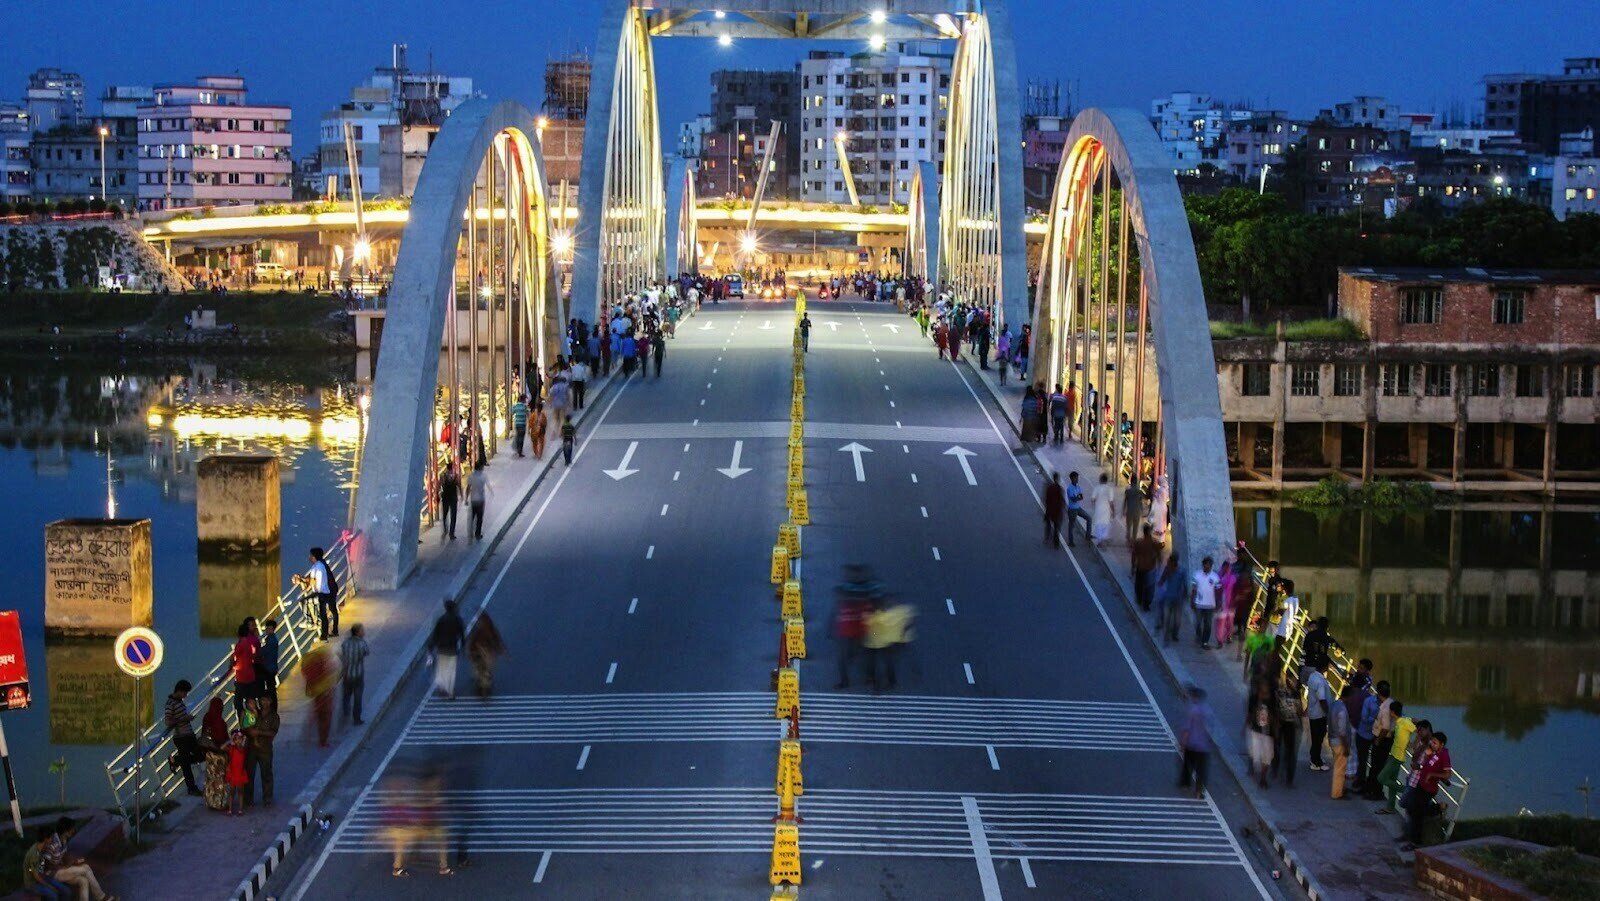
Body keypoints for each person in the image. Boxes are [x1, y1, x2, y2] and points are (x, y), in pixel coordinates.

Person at [1400, 732, 1451, 850]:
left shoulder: (1444, 755)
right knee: (1413, 809)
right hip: (1420, 785)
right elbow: (1428, 765)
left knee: (1417, 814)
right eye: (1432, 741)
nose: (1432, 744)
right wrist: (1421, 766)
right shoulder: (1434, 752)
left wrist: (1432, 774)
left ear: (1441, 744)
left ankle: (1415, 842)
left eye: (1435, 742)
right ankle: (1438, 808)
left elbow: (1447, 775)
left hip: (1429, 789)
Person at [44, 817, 113, 901]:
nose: (73, 831)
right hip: (52, 874)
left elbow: (63, 856)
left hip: (61, 870)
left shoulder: (63, 840)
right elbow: (46, 864)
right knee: (86, 868)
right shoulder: (52, 842)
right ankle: (101, 897)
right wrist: (64, 866)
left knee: (83, 881)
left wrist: (73, 862)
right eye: (72, 829)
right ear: (66, 830)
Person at [164, 680, 204, 796]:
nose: (186, 695)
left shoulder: (179, 702)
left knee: (200, 756)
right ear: (180, 691)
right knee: (186, 765)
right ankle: (192, 788)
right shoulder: (170, 703)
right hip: (181, 737)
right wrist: (185, 719)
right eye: (185, 693)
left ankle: (176, 760)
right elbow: (168, 721)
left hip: (188, 735)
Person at [1375, 703, 1418, 811]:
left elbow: (1419, 731)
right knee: (1391, 781)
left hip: (1397, 758)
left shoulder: (1404, 722)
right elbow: (1414, 720)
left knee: (1381, 778)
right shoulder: (1402, 720)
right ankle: (1390, 807)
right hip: (1393, 754)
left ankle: (1407, 791)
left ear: (1392, 712)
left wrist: (1414, 745)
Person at [1356, 680, 1391, 796]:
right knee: (1362, 760)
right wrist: (1377, 717)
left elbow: (1395, 719)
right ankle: (1361, 783)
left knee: (1377, 764)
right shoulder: (1369, 701)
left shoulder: (1389, 705)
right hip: (1365, 733)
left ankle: (1373, 789)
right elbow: (1364, 718)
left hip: (1379, 737)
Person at [243, 696, 279, 807]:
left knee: (266, 773)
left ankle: (267, 798)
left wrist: (258, 732)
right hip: (251, 748)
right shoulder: (254, 713)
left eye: (267, 700)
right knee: (249, 774)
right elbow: (246, 726)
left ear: (271, 701)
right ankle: (248, 800)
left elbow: (273, 733)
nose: (264, 702)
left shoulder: (274, 716)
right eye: (262, 700)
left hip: (265, 749)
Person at [1177, 686, 1211, 799]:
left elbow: (1186, 729)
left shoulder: (1191, 711)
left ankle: (1185, 783)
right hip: (1203, 746)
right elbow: (1210, 728)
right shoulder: (1207, 711)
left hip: (1191, 744)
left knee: (1188, 764)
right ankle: (1198, 791)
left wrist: (1182, 743)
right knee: (1201, 770)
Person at [302, 642, 338, 747]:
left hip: (316, 692)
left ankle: (309, 734)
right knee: (326, 717)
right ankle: (323, 740)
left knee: (317, 714)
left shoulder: (310, 659)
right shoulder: (324, 658)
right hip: (325, 692)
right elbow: (330, 672)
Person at [22, 827, 75, 900]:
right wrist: (49, 887)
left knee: (66, 891)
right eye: (51, 838)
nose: (53, 840)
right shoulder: (34, 854)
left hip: (44, 877)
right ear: (46, 839)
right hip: (32, 883)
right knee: (53, 896)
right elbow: (35, 876)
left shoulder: (43, 848)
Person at [430, 599, 466, 699]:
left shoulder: (441, 620)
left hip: (441, 648)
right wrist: (463, 646)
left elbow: (435, 635)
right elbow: (462, 634)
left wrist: (430, 648)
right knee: (451, 670)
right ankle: (450, 692)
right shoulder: (457, 619)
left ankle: (442, 688)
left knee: (442, 669)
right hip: (452, 648)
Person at [1273, 671, 1304, 788]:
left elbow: (1299, 711)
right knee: (1286, 750)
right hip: (1285, 724)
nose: (1294, 682)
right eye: (1293, 680)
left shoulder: (1286, 693)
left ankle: (1284, 774)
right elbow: (1299, 711)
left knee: (1287, 750)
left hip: (1288, 724)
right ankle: (1285, 775)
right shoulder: (1285, 693)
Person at [1244, 677, 1276, 788]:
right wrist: (1246, 726)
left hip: (1268, 732)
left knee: (1267, 757)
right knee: (1256, 755)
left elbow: (1275, 715)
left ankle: (1263, 777)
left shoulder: (1272, 700)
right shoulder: (1254, 699)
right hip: (1256, 731)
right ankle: (1256, 769)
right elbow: (1250, 713)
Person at [467, 612, 506, 697]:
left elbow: (472, 642)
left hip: (479, 653)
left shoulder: (478, 630)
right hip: (487, 653)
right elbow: (496, 640)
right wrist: (501, 650)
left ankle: (482, 686)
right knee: (486, 671)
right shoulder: (491, 629)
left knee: (480, 670)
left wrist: (470, 652)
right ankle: (485, 687)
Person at [200, 698, 230, 810]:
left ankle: (211, 802)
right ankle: (220, 803)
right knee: (220, 780)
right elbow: (222, 738)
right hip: (219, 756)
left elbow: (205, 735)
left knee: (211, 779)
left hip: (210, 755)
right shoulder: (219, 722)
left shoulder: (207, 718)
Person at [1304, 661, 1332, 771]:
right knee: (1318, 738)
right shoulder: (1320, 681)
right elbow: (1322, 699)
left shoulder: (1312, 676)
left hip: (1313, 712)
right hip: (1320, 714)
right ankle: (1316, 762)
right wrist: (1328, 712)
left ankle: (1314, 757)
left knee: (1316, 737)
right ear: (1325, 666)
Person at [306, 547, 339, 639]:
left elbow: (314, 580)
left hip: (324, 592)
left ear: (314, 556)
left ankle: (323, 634)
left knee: (323, 614)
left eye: (310, 555)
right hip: (331, 590)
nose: (309, 557)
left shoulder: (317, 566)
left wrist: (308, 588)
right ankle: (334, 631)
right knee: (333, 610)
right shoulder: (323, 564)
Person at [339, 624, 370, 725]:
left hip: (347, 675)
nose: (364, 632)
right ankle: (356, 719)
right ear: (357, 632)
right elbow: (366, 652)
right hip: (358, 675)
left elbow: (342, 654)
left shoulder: (345, 643)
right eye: (362, 630)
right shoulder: (362, 643)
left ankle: (345, 712)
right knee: (357, 698)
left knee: (346, 695)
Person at [1328, 685, 1354, 799]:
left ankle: (1340, 789)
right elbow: (1342, 732)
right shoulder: (1343, 711)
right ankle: (1337, 793)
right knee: (1340, 769)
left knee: (1337, 766)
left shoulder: (1334, 705)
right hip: (1340, 743)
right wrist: (1346, 747)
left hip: (1332, 740)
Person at [1190, 556, 1221, 649]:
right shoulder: (1196, 575)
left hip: (1210, 605)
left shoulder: (1215, 577)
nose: (1208, 566)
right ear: (1203, 565)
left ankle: (1205, 642)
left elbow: (1218, 590)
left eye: (1209, 565)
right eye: (1206, 564)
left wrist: (1218, 602)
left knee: (1208, 624)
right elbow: (1194, 589)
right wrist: (1192, 600)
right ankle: (1199, 636)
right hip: (1199, 603)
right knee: (1198, 623)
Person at [1154, 555, 1185, 644]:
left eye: (1170, 562)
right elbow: (1162, 580)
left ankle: (1174, 634)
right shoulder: (1168, 570)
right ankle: (1167, 635)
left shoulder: (1181, 571)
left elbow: (1184, 583)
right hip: (1168, 597)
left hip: (1178, 599)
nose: (1169, 563)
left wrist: (1185, 594)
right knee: (1168, 617)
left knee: (1177, 620)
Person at [232, 618, 259, 716]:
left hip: (242, 678)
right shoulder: (249, 643)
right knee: (251, 701)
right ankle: (254, 721)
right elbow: (253, 655)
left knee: (238, 703)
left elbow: (235, 658)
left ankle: (244, 723)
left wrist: (232, 666)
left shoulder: (240, 645)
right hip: (251, 675)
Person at [1130, 525, 1160, 610]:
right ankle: (1146, 604)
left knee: (1139, 585)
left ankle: (1139, 599)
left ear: (1143, 532)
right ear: (1149, 532)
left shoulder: (1139, 542)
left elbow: (1134, 555)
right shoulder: (1154, 543)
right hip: (1150, 568)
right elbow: (1158, 554)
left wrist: (1133, 567)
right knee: (1149, 587)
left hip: (1140, 567)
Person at [1213, 562, 1238, 647]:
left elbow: (1235, 591)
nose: (1226, 569)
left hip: (1230, 603)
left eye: (1228, 568)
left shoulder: (1233, 578)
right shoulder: (1217, 576)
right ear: (1222, 567)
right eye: (1225, 567)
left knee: (1229, 622)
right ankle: (1219, 640)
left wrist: (1234, 602)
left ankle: (1228, 636)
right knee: (1220, 622)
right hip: (1220, 603)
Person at [1064, 471, 1091, 547]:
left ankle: (1088, 535)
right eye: (1076, 478)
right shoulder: (1070, 488)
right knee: (1071, 525)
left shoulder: (1078, 487)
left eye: (1077, 478)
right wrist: (1077, 497)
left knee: (1089, 518)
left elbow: (1081, 497)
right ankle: (1071, 541)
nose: (1077, 479)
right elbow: (1073, 499)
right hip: (1072, 509)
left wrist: (1077, 498)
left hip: (1078, 508)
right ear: (1072, 478)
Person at [225, 729, 249, 815]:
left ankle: (240, 809)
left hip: (240, 773)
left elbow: (241, 748)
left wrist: (238, 742)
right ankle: (230, 810)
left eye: (240, 738)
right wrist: (231, 740)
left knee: (240, 792)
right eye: (237, 738)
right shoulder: (232, 748)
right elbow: (222, 747)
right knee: (231, 792)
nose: (238, 740)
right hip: (233, 772)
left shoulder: (242, 748)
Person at [1089, 473, 1115, 545]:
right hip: (1106, 510)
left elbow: (1093, 499)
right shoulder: (1109, 489)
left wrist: (1095, 504)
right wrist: (1113, 511)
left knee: (1098, 525)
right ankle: (1103, 539)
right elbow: (1111, 501)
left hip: (1098, 509)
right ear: (1106, 480)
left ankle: (1100, 540)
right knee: (1105, 525)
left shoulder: (1096, 488)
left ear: (1100, 480)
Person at [467, 461, 489, 541]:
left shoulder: (471, 476)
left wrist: (466, 498)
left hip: (473, 500)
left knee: (472, 517)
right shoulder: (483, 476)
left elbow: (468, 488)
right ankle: (478, 533)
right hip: (481, 500)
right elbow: (488, 485)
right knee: (479, 518)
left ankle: (470, 533)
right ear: (480, 468)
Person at [1042, 473, 1065, 547]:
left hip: (1049, 510)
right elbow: (1061, 501)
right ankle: (1056, 543)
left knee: (1048, 525)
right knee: (1056, 527)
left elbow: (1046, 499)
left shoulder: (1049, 488)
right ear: (1058, 479)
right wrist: (1062, 510)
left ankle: (1046, 538)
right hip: (1057, 511)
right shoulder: (1060, 488)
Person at [438, 462, 460, 541]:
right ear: (452, 467)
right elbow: (459, 485)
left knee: (445, 514)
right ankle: (452, 533)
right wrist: (461, 495)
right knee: (453, 516)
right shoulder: (456, 476)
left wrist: (438, 494)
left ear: (447, 468)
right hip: (453, 497)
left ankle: (445, 528)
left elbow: (439, 485)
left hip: (445, 497)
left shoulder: (443, 476)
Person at [1123, 480, 1143, 544]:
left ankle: (1128, 539)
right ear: (1136, 483)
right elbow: (1141, 503)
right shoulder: (1139, 492)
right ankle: (1134, 540)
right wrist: (1142, 511)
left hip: (1129, 510)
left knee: (1128, 526)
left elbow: (1125, 501)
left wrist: (1123, 510)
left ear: (1131, 483)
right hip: (1137, 511)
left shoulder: (1127, 491)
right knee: (1135, 526)